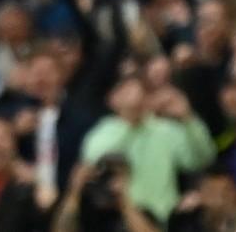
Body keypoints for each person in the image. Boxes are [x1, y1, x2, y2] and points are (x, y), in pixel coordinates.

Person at [80, 77, 215, 223]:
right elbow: (94, 163)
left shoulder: (165, 129)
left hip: (164, 221)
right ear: (112, 100)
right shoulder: (102, 133)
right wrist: (130, 122)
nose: (134, 98)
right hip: (120, 222)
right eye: (126, 93)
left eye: (141, 92)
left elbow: (203, 159)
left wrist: (188, 119)